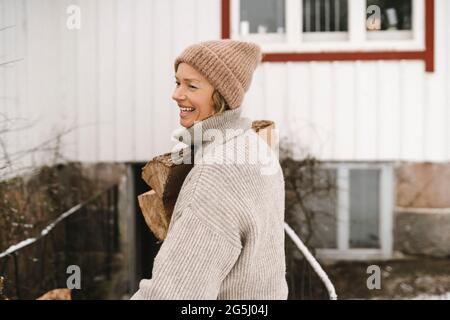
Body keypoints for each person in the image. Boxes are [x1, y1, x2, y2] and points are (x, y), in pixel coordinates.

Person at [131, 39, 288, 299]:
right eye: (177, 82)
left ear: (222, 96)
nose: (177, 94)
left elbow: (174, 293)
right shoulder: (256, 147)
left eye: (192, 86)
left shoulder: (216, 171)